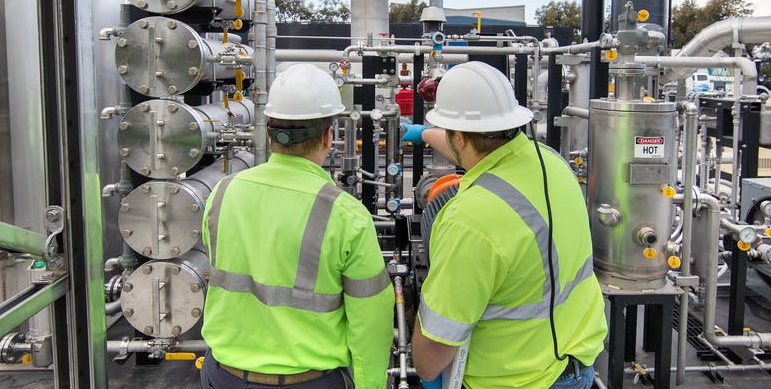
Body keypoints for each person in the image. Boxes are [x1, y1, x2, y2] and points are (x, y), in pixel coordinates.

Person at [408, 61, 607, 389]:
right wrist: (425, 134)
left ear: (458, 135)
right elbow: (474, 151)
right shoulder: (552, 162)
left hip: (515, 379)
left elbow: (430, 362)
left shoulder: (470, 220)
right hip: (577, 365)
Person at [201, 64, 393, 389]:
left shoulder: (223, 191)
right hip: (308, 380)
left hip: (223, 375)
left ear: (269, 131)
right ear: (329, 135)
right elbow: (370, 320)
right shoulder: (345, 214)